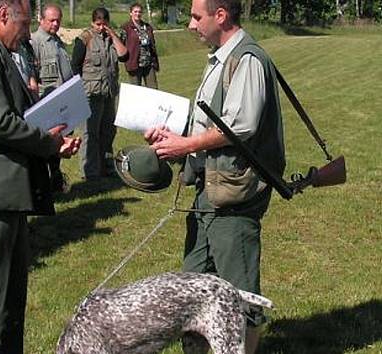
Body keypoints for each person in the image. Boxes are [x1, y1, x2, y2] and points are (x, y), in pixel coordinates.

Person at [144, 0, 285, 352]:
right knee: (192, 288)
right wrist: (173, 136)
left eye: (196, 17)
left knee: (240, 296)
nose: (191, 25)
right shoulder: (221, 57)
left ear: (220, 16)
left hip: (234, 195)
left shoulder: (247, 60)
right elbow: (210, 121)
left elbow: (239, 128)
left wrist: (185, 145)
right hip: (209, 192)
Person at [0, 0, 80, 351]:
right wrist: (48, 144)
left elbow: (14, 116)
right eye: (23, 23)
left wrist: (53, 140)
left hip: (6, 191)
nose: (25, 33)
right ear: (3, 13)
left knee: (9, 296)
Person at [72, 7, 127, 181]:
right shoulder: (84, 39)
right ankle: (90, 171)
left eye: (104, 24)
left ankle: (106, 167)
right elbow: (75, 65)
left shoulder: (112, 38)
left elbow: (124, 55)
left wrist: (112, 35)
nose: (101, 28)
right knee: (90, 133)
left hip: (109, 92)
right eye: (98, 24)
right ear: (92, 22)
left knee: (108, 131)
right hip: (91, 93)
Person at [30, 3, 72, 192]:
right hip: (45, 102)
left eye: (58, 20)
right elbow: (33, 75)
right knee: (46, 146)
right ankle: (45, 184)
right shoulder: (34, 42)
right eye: (51, 20)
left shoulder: (57, 41)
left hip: (61, 101)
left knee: (59, 144)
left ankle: (55, 178)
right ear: (41, 20)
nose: (55, 24)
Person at [120, 3, 159, 88]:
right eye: (135, 11)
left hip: (148, 64)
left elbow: (152, 44)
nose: (138, 14)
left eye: (140, 12)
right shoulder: (126, 28)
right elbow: (121, 45)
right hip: (134, 64)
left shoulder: (147, 27)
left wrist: (154, 60)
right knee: (136, 91)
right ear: (131, 13)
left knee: (153, 90)